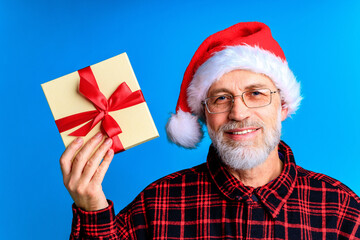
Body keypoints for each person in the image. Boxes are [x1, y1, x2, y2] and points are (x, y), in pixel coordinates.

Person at [60, 22, 360, 239]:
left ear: (283, 106)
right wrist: (92, 208)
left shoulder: (340, 208)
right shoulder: (158, 204)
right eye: (221, 98)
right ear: (203, 114)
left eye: (256, 93)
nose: (239, 113)